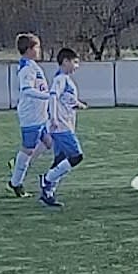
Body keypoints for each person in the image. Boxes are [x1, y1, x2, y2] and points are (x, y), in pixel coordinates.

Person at [39, 48, 86, 208]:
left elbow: (65, 99)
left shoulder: (65, 79)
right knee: (76, 156)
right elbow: (53, 97)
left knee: (60, 159)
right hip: (61, 126)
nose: (76, 66)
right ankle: (47, 179)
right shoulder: (60, 79)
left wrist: (78, 104)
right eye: (75, 62)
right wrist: (53, 118)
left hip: (64, 125)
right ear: (65, 61)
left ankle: (48, 193)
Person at [7, 32, 52, 198]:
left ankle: (19, 166)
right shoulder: (26, 69)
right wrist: (48, 96)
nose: (39, 50)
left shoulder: (32, 65)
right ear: (29, 49)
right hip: (31, 116)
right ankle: (15, 183)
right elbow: (27, 90)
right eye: (37, 47)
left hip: (40, 115)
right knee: (28, 149)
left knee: (49, 142)